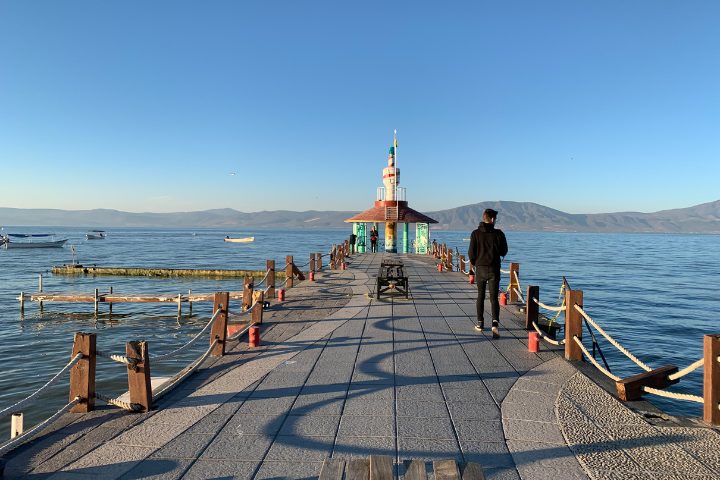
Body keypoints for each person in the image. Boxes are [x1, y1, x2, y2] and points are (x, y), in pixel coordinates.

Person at [468, 208, 508, 338]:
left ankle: (480, 323)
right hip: (494, 269)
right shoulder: (499, 234)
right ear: (491, 219)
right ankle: (495, 323)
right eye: (495, 219)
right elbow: (504, 251)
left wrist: (473, 266)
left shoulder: (475, 234)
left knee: (480, 296)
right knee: (493, 297)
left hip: (480, 269)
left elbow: (471, 254)